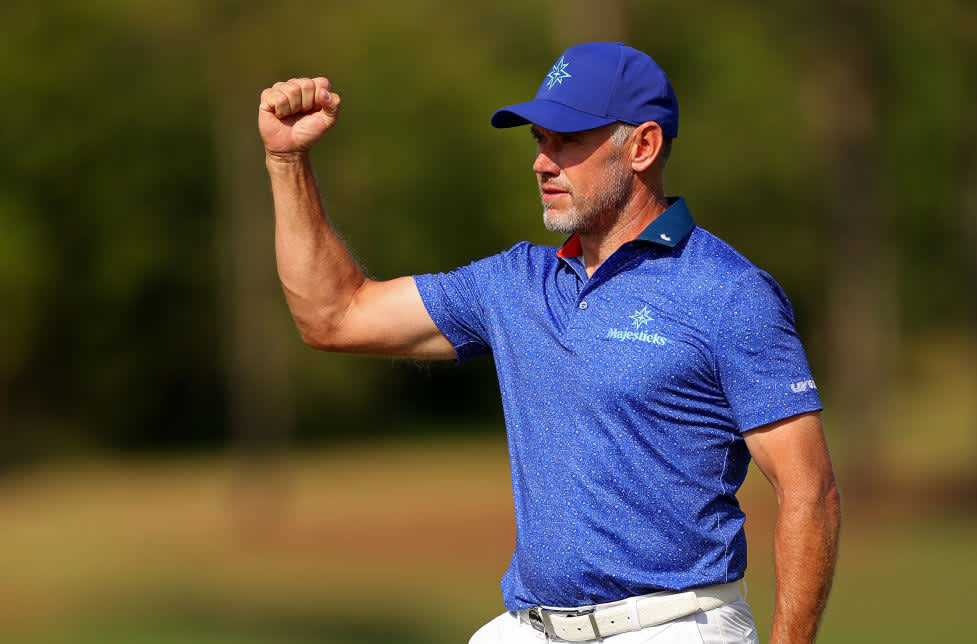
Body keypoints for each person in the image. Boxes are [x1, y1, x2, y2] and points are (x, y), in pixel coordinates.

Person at [258, 42, 840, 644]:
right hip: (531, 627)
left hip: (671, 625)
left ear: (642, 146)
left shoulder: (728, 292)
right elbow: (334, 316)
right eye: (539, 140)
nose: (542, 162)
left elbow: (809, 490)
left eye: (567, 140)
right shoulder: (515, 283)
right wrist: (286, 162)